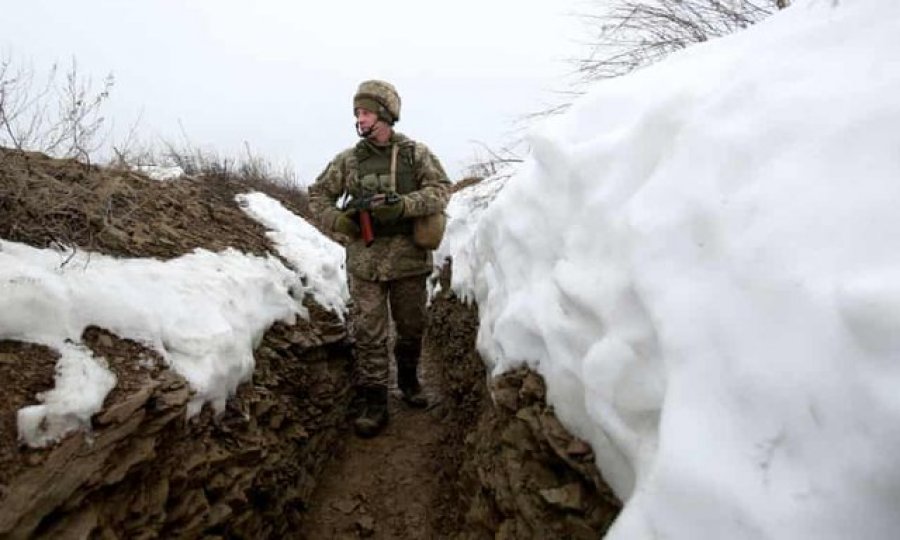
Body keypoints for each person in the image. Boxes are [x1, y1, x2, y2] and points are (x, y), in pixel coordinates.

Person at [308, 80, 451, 437]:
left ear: (385, 114)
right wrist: (338, 221)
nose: (360, 117)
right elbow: (317, 195)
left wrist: (404, 206)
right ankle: (374, 400)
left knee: (411, 328)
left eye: (367, 111)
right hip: (365, 263)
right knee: (369, 333)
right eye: (357, 112)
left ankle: (408, 381)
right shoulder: (348, 161)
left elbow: (440, 191)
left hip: (409, 262)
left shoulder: (415, 155)